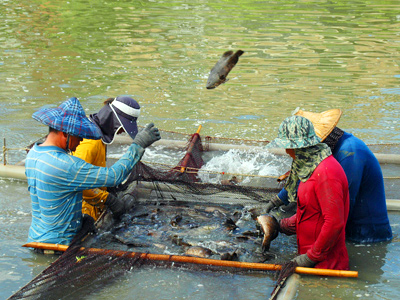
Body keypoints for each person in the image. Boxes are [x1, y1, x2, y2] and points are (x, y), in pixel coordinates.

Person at [25, 97, 160, 245]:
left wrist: (79, 220)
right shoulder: (66, 165)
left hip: (36, 239)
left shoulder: (34, 153)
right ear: (65, 134)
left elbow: (54, 196)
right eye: (78, 135)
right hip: (60, 246)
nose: (81, 140)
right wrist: (138, 145)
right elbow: (114, 176)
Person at [270, 108, 392, 244]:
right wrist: (275, 201)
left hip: (367, 236)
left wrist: (282, 225)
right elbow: (301, 175)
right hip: (345, 229)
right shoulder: (324, 152)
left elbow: (337, 209)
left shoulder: (350, 154)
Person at [270, 115, 350, 270]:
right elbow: (308, 213)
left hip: (327, 267)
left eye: (289, 146)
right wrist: (279, 226)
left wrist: (310, 258)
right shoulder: (309, 169)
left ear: (301, 147)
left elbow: (334, 223)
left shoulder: (326, 173)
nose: (287, 151)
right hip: (310, 261)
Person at [72, 96, 141, 221]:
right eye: (121, 127)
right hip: (81, 211)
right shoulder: (90, 142)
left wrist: (107, 187)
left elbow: (92, 172)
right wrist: (108, 199)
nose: (122, 132)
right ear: (113, 121)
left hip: (93, 204)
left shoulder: (96, 133)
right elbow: (77, 182)